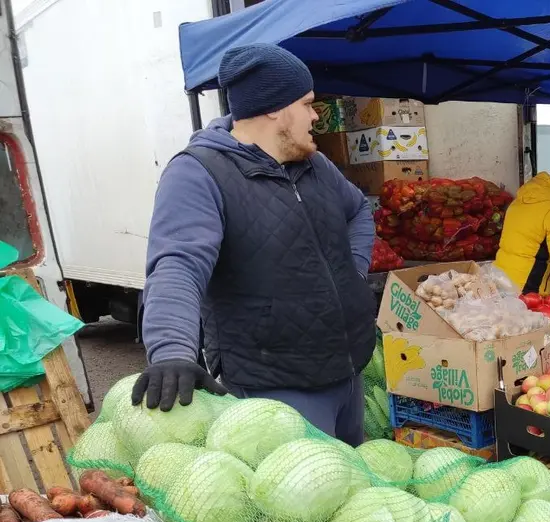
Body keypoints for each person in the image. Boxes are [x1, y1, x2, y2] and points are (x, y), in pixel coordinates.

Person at [133, 44, 377, 446]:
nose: (316, 116)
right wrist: (172, 350)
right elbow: (177, 265)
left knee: (357, 495)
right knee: (306, 502)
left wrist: (352, 272)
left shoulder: (315, 165)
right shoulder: (199, 172)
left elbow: (358, 213)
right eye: (308, 104)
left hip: (346, 375)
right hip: (278, 387)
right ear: (275, 109)